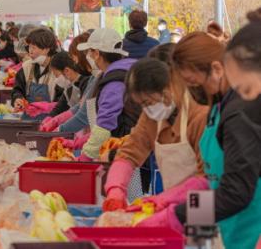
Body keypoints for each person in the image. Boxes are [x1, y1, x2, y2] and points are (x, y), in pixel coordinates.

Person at [147, 21, 261, 247]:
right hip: (226, 228)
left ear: (217, 69)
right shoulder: (218, 108)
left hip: (249, 230)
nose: (193, 90)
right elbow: (213, 181)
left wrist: (176, 217)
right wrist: (195, 232)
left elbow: (236, 193)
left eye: (193, 82)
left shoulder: (239, 114)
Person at [102, 58, 209, 212]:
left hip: (203, 203)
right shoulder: (151, 117)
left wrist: (165, 199)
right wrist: (115, 188)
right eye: (142, 105)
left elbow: (206, 177)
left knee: (198, 228)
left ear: (167, 90)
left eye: (148, 102)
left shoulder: (199, 116)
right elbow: (129, 153)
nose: (146, 109)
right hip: (171, 204)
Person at [77, 28, 138, 161]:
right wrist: (78, 142)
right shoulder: (123, 71)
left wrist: (85, 157)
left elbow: (104, 126)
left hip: (128, 153)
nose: (88, 56)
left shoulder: (114, 83)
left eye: (90, 51)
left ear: (97, 53)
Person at [11, 28, 60, 120]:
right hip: (28, 119)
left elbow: (63, 101)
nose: (30, 51)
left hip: (50, 121)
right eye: (29, 47)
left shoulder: (58, 70)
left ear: (46, 49)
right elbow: (17, 89)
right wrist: (18, 99)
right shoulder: (27, 66)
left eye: (34, 47)